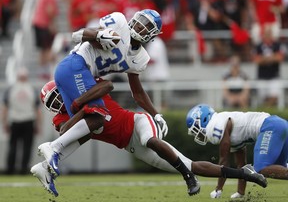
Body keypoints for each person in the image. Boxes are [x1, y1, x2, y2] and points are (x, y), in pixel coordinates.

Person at [31, 80, 267, 197]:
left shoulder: (83, 89)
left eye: (57, 97)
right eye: (52, 103)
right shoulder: (63, 118)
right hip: (128, 145)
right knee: (192, 165)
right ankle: (245, 173)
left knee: (151, 141)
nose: (57, 104)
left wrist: (80, 102)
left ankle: (188, 178)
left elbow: (107, 85)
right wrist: (78, 111)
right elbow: (66, 134)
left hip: (138, 122)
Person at [37, 9, 170, 185]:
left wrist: (156, 114)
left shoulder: (140, 57)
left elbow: (137, 93)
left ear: (152, 35)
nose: (140, 26)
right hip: (77, 65)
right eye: (140, 21)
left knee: (90, 127)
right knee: (98, 115)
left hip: (85, 76)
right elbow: (79, 35)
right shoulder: (119, 22)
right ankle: (53, 147)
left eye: (146, 26)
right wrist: (98, 35)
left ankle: (45, 166)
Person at [186, 104, 288, 199]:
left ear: (203, 120)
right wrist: (240, 192)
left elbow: (224, 160)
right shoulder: (228, 126)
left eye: (195, 129)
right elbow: (242, 167)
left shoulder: (214, 125)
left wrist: (218, 188)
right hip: (280, 124)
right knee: (279, 168)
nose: (197, 134)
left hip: (270, 126)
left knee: (261, 167)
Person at [2, 67, 42, 174]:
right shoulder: (31, 89)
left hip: (15, 121)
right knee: (27, 147)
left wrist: (4, 122)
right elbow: (37, 109)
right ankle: (23, 169)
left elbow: (5, 108)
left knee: (13, 146)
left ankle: (10, 169)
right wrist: (38, 124)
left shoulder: (11, 89)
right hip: (28, 121)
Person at [32, 0, 59, 80]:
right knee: (48, 48)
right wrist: (52, 24)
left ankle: (42, 70)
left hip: (38, 22)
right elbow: (49, 10)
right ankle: (47, 70)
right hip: (44, 24)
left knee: (43, 49)